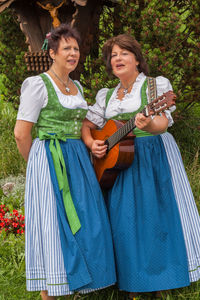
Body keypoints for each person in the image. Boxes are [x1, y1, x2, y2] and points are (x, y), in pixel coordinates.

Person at [81, 34, 200, 299]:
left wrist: (149, 124)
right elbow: (88, 126)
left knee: (156, 218)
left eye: (124, 53)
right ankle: (129, 280)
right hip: (118, 163)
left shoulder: (155, 87)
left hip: (152, 157)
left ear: (137, 59)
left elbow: (162, 123)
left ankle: (160, 280)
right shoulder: (107, 95)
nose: (118, 59)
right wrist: (92, 145)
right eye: (113, 55)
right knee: (124, 221)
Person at [14, 23, 116, 300]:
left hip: (78, 160)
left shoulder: (76, 86)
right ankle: (48, 292)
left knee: (86, 217)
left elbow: (82, 125)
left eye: (76, 48)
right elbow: (21, 133)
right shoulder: (38, 85)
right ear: (53, 53)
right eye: (67, 48)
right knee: (52, 220)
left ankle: (80, 280)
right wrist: (38, 165)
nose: (73, 53)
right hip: (50, 157)